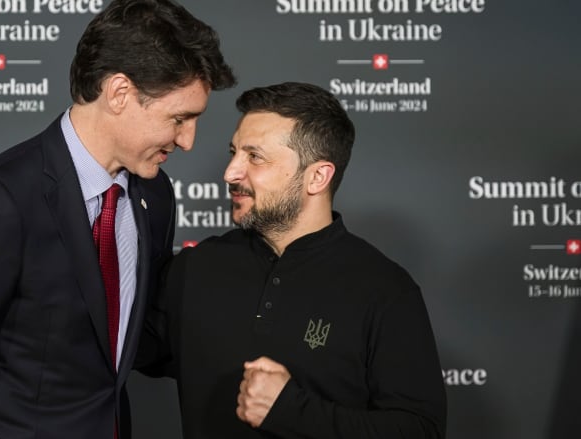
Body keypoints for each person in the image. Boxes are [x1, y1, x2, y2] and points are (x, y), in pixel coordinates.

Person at [0, 1, 235, 438]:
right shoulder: (0, 202)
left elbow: (134, 341)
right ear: (119, 93)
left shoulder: (155, 195)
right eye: (179, 119)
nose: (188, 141)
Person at [140, 82, 446, 438]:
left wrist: (291, 411)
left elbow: (419, 430)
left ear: (317, 176)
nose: (231, 173)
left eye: (254, 157)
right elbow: (110, 347)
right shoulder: (195, 268)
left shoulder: (385, 289)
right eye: (234, 152)